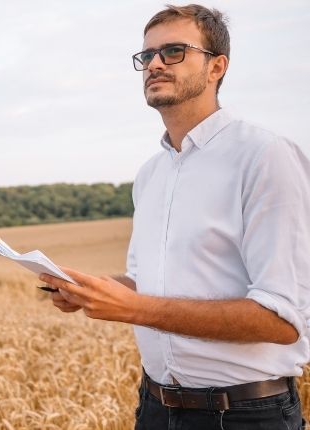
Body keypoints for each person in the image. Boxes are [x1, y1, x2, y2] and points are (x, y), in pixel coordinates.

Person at [39, 4, 309, 429]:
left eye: (174, 51)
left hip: (244, 415)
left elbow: (282, 320)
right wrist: (89, 290)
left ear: (217, 66)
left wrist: (136, 309)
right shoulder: (151, 174)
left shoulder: (264, 156)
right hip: (154, 407)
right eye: (147, 56)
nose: (156, 64)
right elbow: (144, 283)